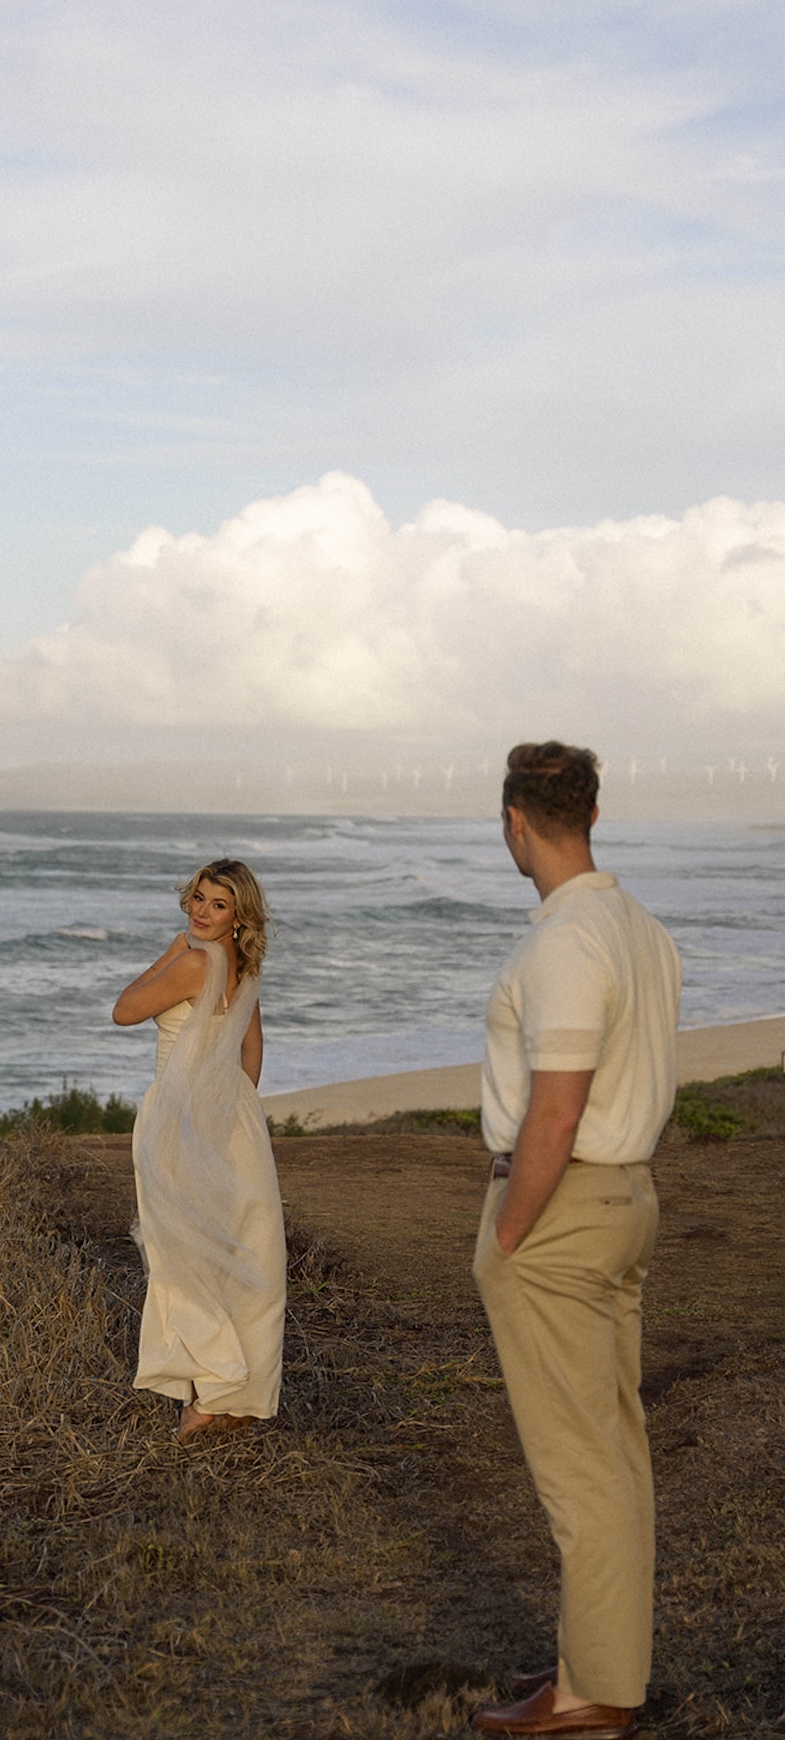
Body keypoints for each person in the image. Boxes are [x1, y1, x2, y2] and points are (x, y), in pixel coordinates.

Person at [470, 744, 681, 1740]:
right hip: (625, 1196)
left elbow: (555, 1108)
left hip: (562, 1209)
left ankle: (592, 1695)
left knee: (580, 1467)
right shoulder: (637, 928)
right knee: (615, 1454)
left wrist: (508, 1231)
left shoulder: (562, 941)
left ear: (516, 822)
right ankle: (594, 1657)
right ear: (585, 814)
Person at [112, 858, 285, 1443]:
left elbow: (123, 1010)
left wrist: (170, 953)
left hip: (179, 1118)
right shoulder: (247, 964)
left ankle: (210, 1392)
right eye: (198, 898)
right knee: (243, 1254)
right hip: (234, 1119)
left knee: (182, 1253)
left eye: (217, 905)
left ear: (239, 916)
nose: (201, 912)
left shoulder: (191, 961)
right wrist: (228, 1104)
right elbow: (252, 1050)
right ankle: (236, 1394)